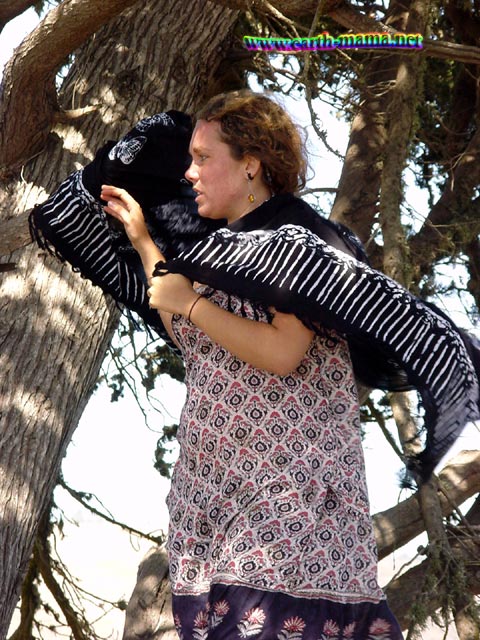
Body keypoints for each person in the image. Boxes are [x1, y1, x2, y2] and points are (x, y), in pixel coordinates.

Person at [100, 90, 405, 639]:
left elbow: (283, 352)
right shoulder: (220, 248)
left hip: (288, 498)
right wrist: (144, 243)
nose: (189, 172)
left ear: (250, 165)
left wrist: (190, 303)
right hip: (215, 495)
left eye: (203, 157)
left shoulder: (300, 241)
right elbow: (192, 330)